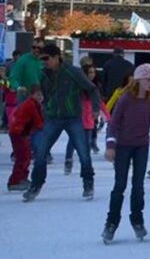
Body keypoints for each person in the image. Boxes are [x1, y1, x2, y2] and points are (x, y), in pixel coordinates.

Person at [102, 64, 150, 243]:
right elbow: (114, 124)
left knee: (138, 185)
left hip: (141, 146)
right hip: (123, 146)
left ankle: (137, 220)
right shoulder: (125, 99)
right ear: (138, 80)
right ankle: (111, 223)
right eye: (149, 79)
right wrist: (110, 145)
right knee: (120, 185)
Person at [24, 44, 101, 202]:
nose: (44, 62)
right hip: (53, 118)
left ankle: (88, 183)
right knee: (41, 152)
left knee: (83, 152)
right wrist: (44, 106)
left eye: (47, 58)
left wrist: (95, 108)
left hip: (73, 117)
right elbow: (44, 95)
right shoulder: (43, 74)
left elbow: (91, 89)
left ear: (56, 57)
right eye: (42, 59)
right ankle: (36, 184)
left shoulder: (73, 72)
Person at [7, 85, 44, 192]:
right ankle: (14, 181)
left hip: (22, 132)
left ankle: (22, 178)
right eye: (38, 95)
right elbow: (38, 122)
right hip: (18, 133)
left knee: (26, 156)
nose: (40, 97)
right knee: (23, 157)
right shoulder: (31, 104)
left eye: (41, 95)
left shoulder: (33, 104)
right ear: (32, 95)